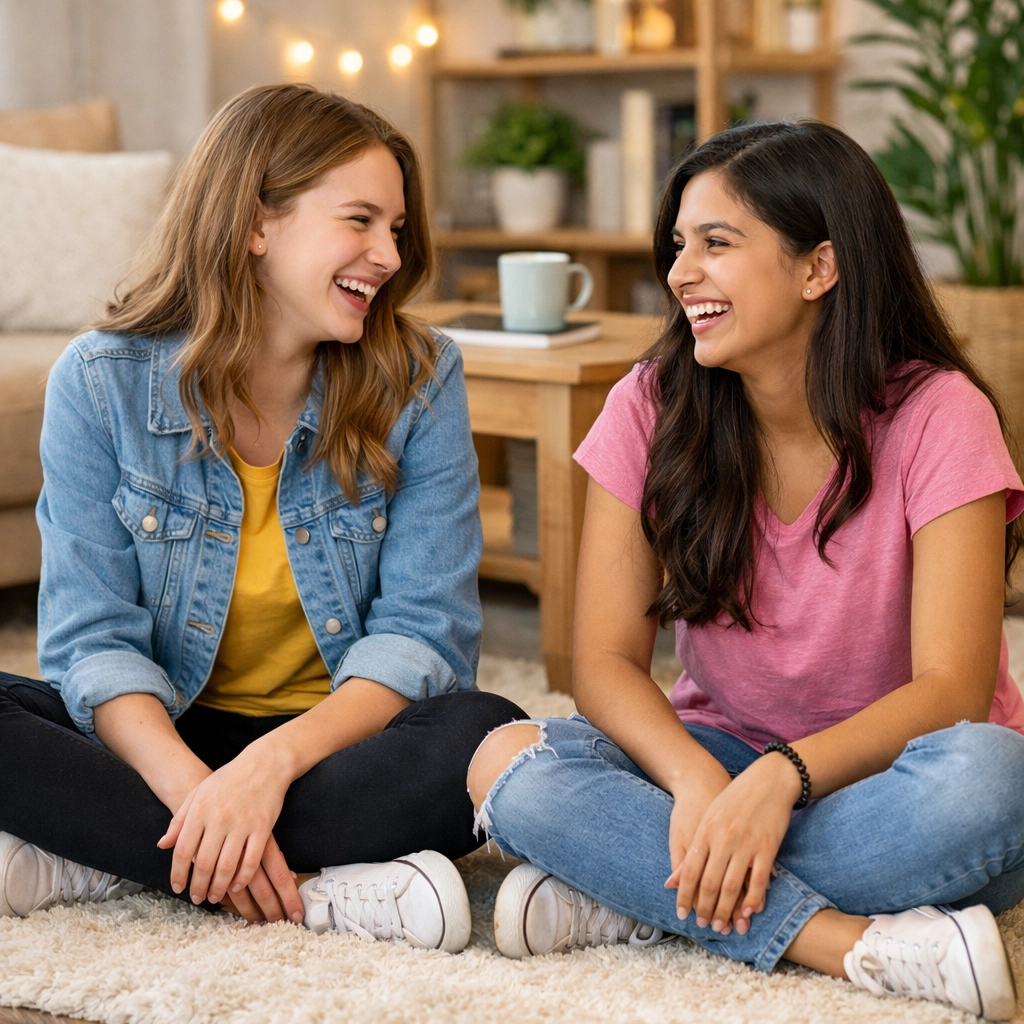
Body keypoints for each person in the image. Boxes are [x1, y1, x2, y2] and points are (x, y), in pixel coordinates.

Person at [467, 120, 1024, 1018]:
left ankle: (636, 892)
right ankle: (840, 942)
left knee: (998, 783)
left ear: (819, 267)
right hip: (717, 755)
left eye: (717, 244)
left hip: (893, 778)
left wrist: (780, 784)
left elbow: (953, 689)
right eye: (679, 244)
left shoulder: (940, 415)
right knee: (502, 758)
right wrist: (698, 785)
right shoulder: (650, 402)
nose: (681, 272)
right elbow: (603, 662)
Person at [0, 83, 524, 951]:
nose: (388, 255)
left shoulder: (420, 377)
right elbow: (93, 645)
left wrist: (265, 770)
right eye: (359, 220)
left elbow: (426, 637)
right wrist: (197, 788)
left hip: (337, 741)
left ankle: (103, 859)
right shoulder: (99, 382)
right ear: (255, 223)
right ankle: (317, 890)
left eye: (396, 229)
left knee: (488, 737)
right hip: (172, 732)